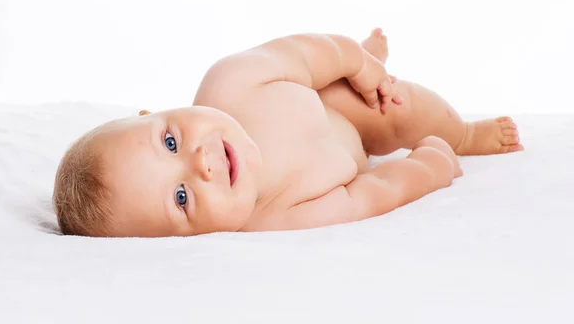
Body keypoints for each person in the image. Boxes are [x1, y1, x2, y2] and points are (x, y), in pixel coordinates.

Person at [53, 28, 523, 237]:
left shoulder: (230, 83)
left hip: (326, 94)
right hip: (345, 149)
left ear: (154, 111)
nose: (201, 163)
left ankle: (461, 132)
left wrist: (355, 64)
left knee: (398, 108)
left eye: (170, 142)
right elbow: (369, 194)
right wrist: (428, 168)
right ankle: (451, 144)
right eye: (181, 198)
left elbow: (302, 53)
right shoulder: (275, 216)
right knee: (394, 130)